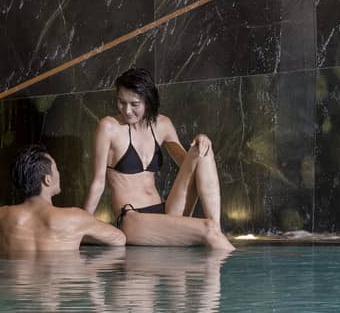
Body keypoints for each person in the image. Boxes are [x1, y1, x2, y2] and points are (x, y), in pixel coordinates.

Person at [85, 68, 235, 252]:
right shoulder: (109, 127)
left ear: (148, 101)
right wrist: (82, 225)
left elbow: (188, 164)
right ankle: (218, 238)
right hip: (133, 218)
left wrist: (203, 139)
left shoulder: (163, 124)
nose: (127, 110)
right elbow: (98, 183)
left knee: (202, 149)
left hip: (166, 211)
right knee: (208, 229)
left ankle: (217, 227)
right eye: (121, 102)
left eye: (134, 104)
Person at [0, 144, 126, 257]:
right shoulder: (75, 218)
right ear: (47, 180)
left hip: (16, 295)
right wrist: (80, 233)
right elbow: (119, 240)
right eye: (56, 169)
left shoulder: (0, 217)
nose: (59, 174)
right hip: (59, 285)